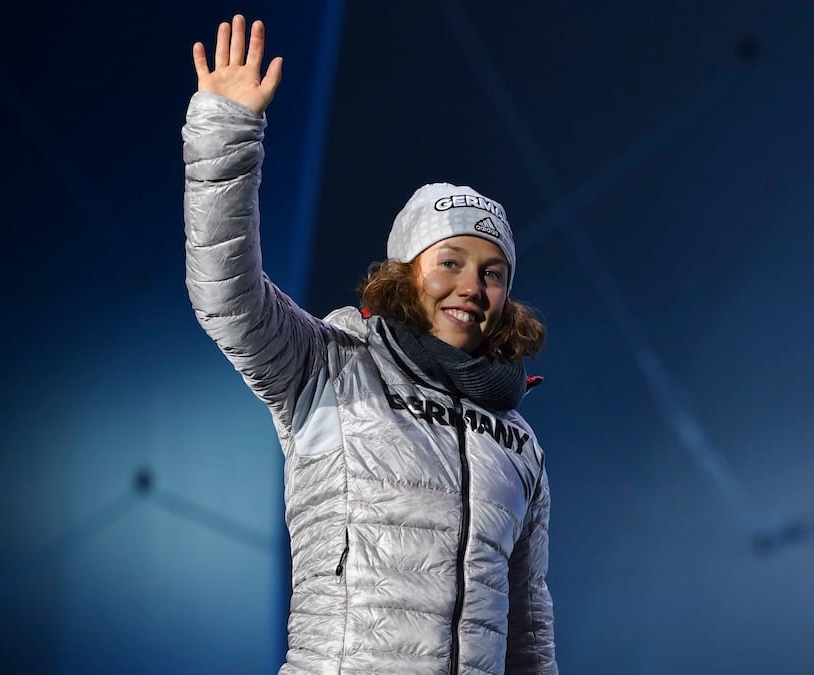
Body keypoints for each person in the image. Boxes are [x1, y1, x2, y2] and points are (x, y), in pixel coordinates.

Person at [183, 14, 557, 675]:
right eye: (450, 261)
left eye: (492, 272)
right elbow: (227, 294)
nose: (471, 287)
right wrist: (227, 132)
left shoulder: (519, 442)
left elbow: (527, 629)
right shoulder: (330, 366)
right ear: (405, 273)